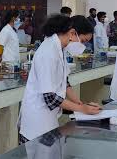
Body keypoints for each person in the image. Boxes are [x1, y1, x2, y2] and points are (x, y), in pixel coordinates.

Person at [18, 14, 101, 142]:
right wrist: (82, 109)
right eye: (83, 41)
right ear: (72, 33)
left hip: (48, 118)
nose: (83, 46)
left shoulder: (59, 49)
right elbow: (50, 98)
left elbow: (65, 83)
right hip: (37, 121)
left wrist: (80, 103)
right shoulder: (48, 52)